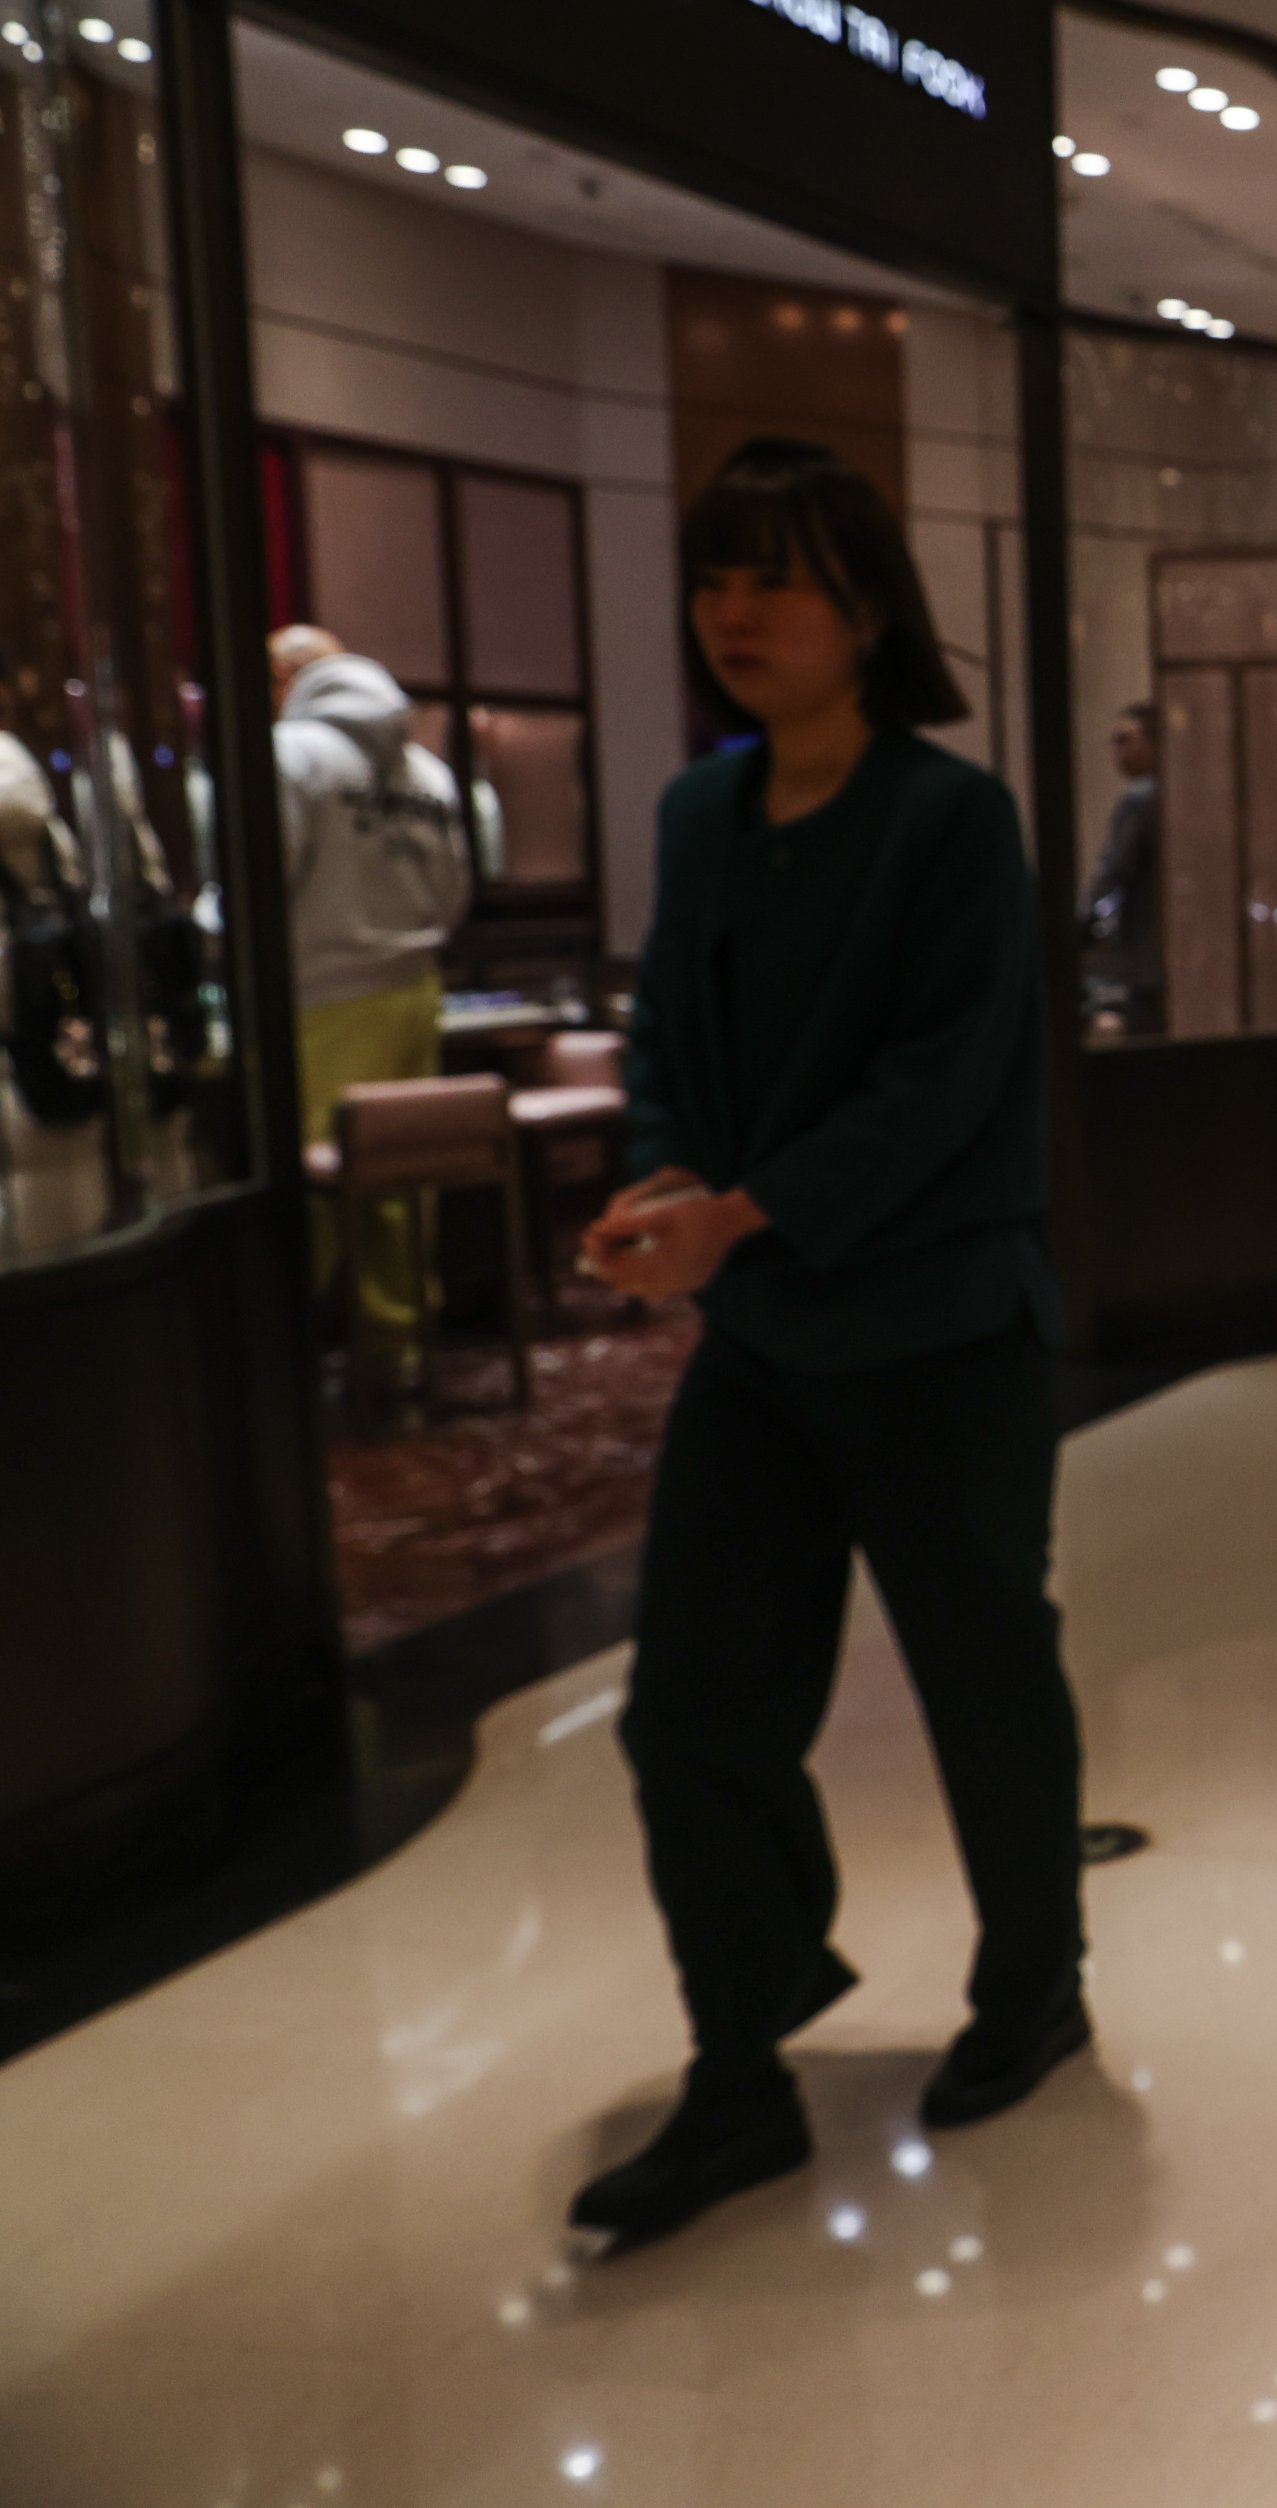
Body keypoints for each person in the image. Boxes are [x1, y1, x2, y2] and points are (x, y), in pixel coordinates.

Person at [568, 438, 1088, 2253]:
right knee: (689, 1714)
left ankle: (1036, 1985)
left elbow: (943, 1087)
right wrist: (665, 1176)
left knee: (980, 1680)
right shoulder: (697, 815)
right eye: (716, 575)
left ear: (867, 606)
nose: (735, 611)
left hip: (943, 1329)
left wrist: (746, 1210)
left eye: (775, 577)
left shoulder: (950, 818)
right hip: (768, 1340)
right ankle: (740, 2064)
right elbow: (661, 1036)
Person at [269, 623, 474, 1361]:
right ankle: (401, 1351)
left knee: (314, 1191)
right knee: (400, 1183)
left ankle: (284, 1363)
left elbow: (263, 885)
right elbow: (454, 894)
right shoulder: (428, 770)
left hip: (322, 997)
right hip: (419, 990)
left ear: (287, 681)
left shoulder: (291, 755)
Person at [1080, 700, 1162, 1037]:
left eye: (1125, 739)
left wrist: (1079, 924)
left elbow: (1112, 872)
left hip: (1143, 956)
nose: (1117, 750)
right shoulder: (1182, 793)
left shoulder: (1140, 799)